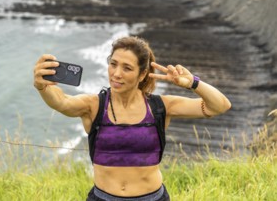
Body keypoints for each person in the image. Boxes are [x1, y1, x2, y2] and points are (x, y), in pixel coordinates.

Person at [33, 36, 231, 201]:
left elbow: (219, 105)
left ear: (142, 73)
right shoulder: (93, 105)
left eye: (127, 68)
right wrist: (43, 86)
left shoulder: (161, 106)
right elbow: (62, 102)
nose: (117, 74)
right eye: (113, 64)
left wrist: (192, 83)